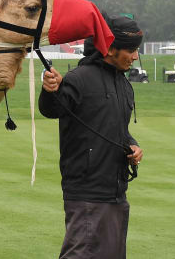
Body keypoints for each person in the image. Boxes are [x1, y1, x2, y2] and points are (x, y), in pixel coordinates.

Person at [39, 15, 145, 259]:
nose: (135, 56)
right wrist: (50, 90)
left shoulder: (125, 85)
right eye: (131, 50)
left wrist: (133, 146)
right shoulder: (78, 79)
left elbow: (119, 129)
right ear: (109, 48)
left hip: (116, 193)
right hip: (86, 194)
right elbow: (51, 109)